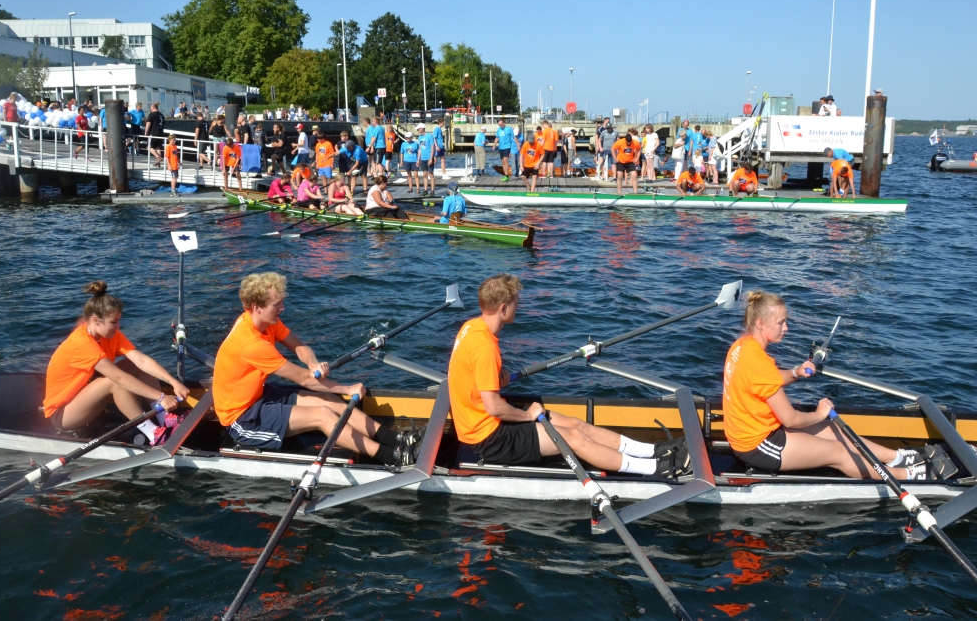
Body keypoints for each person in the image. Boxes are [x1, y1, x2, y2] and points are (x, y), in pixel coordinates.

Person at [448, 274, 687, 476]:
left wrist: (497, 376)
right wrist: (528, 415)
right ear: (503, 309)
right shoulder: (485, 346)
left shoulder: (471, 327)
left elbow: (470, 372)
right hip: (488, 438)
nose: (518, 307)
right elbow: (493, 407)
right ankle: (655, 468)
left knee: (576, 424)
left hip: (482, 422)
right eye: (516, 303)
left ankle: (653, 450)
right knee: (573, 438)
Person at [723, 291, 940, 481]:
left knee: (832, 429)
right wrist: (820, 414)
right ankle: (907, 475)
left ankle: (897, 457)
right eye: (781, 322)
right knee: (838, 452)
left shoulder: (742, 346)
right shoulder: (758, 364)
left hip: (760, 428)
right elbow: (791, 419)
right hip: (756, 445)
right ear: (760, 323)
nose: (786, 328)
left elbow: (765, 380)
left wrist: (796, 372)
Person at [212, 272, 417, 465]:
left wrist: (312, 363)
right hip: (242, 418)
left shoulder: (266, 322)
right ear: (257, 307)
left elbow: (299, 347)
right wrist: (347, 389)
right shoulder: (251, 344)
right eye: (277, 304)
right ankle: (394, 456)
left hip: (260, 396)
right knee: (322, 415)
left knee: (328, 400)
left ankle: (397, 438)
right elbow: (305, 380)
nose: (283, 307)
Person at [44, 281, 188, 445]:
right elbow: (119, 378)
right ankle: (153, 433)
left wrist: (174, 382)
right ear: (96, 320)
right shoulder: (82, 344)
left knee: (133, 365)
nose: (118, 327)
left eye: (119, 321)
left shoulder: (110, 335)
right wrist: (161, 397)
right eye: (114, 322)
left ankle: (165, 417)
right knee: (113, 381)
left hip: (87, 398)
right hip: (63, 415)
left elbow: (141, 360)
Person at [416, 124, 437, 196]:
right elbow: (420, 149)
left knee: (430, 174)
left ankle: (432, 191)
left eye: (418, 129)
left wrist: (431, 158)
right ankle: (425, 190)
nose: (417, 130)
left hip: (429, 158)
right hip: (423, 158)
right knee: (424, 175)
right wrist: (418, 160)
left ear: (422, 128)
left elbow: (433, 147)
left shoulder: (429, 136)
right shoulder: (419, 137)